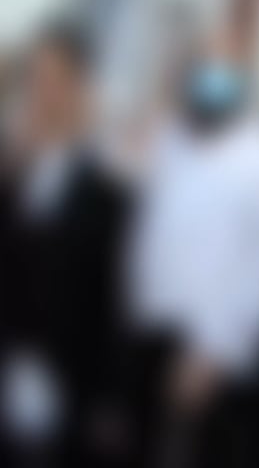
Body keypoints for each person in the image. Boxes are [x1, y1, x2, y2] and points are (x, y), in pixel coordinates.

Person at [124, 30, 259, 468]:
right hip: (147, 329)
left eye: (225, 67)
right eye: (205, 65)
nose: (213, 78)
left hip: (209, 353)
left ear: (245, 78)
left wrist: (217, 351)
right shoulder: (170, 137)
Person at [0, 25, 129, 467]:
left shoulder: (106, 194)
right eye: (34, 79)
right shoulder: (10, 170)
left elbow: (107, 299)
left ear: (78, 88)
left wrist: (103, 399)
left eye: (54, 80)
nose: (42, 94)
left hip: (57, 390)